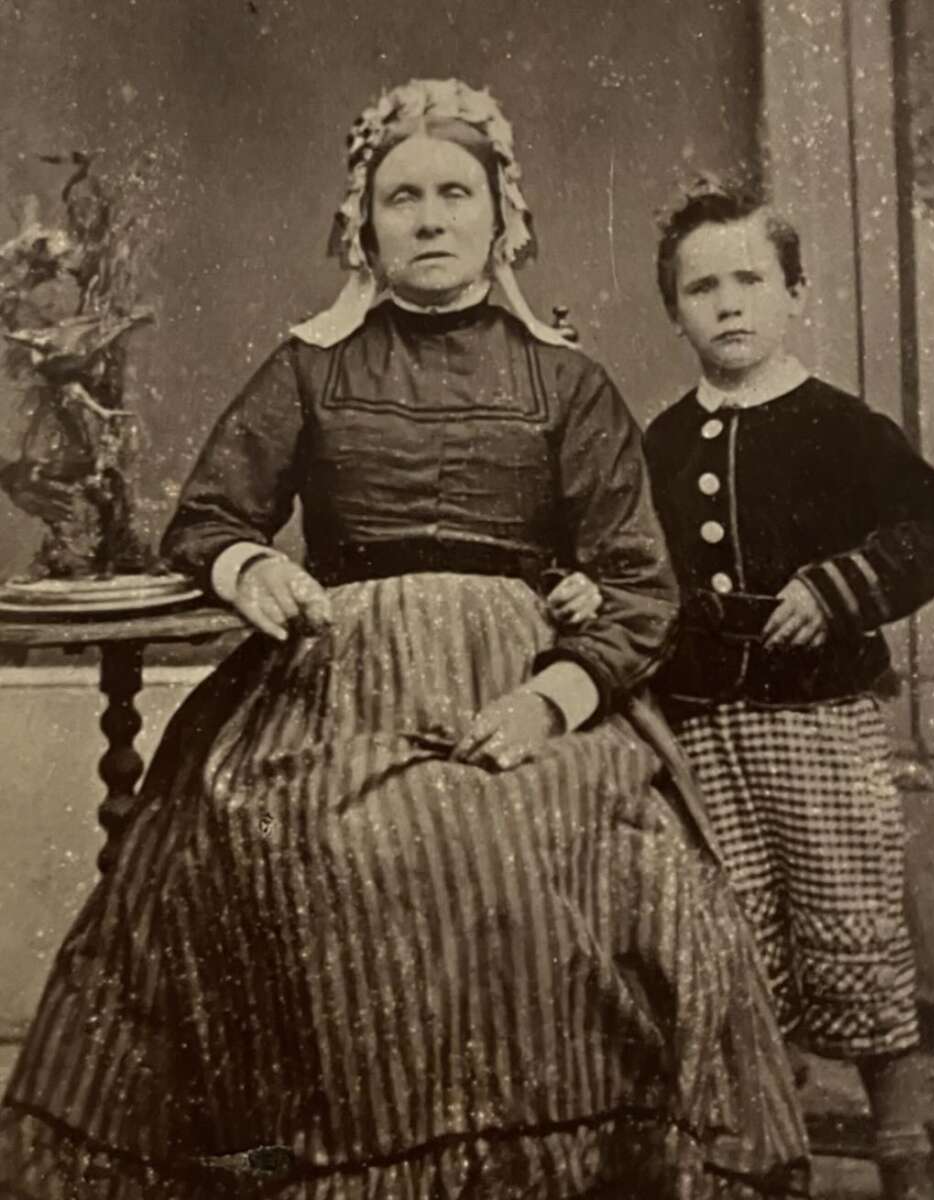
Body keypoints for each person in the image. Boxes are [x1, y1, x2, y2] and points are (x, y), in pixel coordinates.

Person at [0, 87, 809, 1198]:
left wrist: (546, 705)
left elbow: (634, 583)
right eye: (401, 198)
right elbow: (207, 520)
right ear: (361, 225)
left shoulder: (563, 379)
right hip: (341, 674)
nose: (428, 220)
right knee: (322, 849)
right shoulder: (310, 366)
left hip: (523, 676)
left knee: (610, 862)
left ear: (500, 217)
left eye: (453, 196)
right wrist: (258, 567)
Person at [604, 179, 934, 1200]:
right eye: (700, 287)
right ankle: (767, 1136)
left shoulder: (840, 427)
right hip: (704, 724)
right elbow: (636, 556)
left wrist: (835, 588)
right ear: (673, 310)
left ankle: (897, 1137)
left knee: (848, 914)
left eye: (748, 279)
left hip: (817, 720)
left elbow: (925, 526)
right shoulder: (661, 445)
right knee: (737, 928)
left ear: (793, 291)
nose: (726, 304)